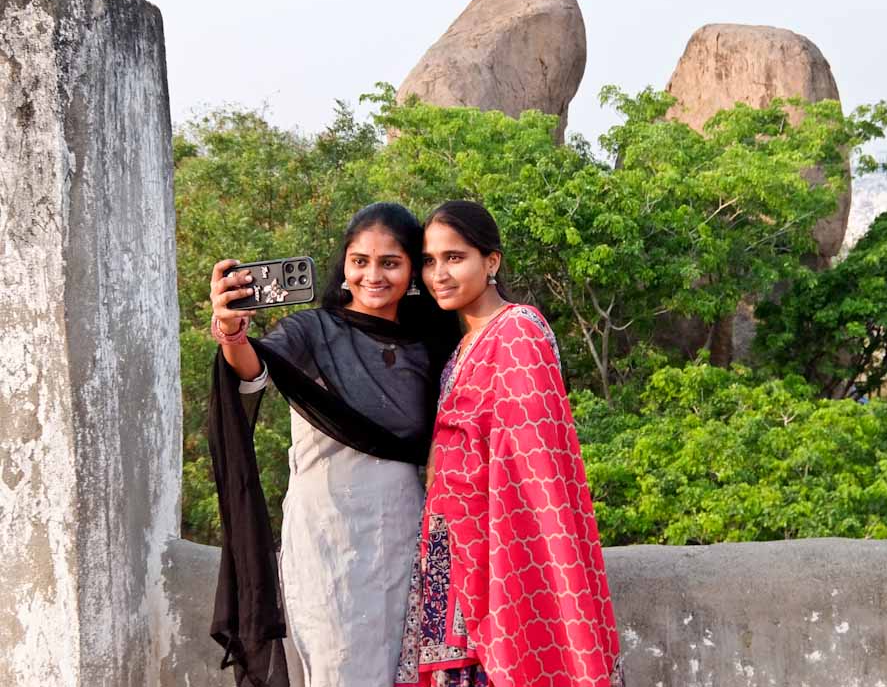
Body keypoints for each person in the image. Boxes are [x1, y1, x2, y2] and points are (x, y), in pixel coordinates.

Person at [206, 202, 458, 687]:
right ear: (344, 264)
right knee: (335, 665)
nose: (373, 276)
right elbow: (253, 370)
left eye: (390, 262)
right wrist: (232, 331)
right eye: (360, 261)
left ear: (413, 271)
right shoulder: (313, 331)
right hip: (326, 536)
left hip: (403, 535)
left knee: (397, 669)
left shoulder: (431, 346)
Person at [395, 200, 624, 687]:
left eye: (455, 257)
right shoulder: (462, 346)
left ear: (491, 261)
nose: (439, 274)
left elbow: (535, 467)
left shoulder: (518, 330)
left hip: (499, 556)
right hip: (452, 555)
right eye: (430, 261)